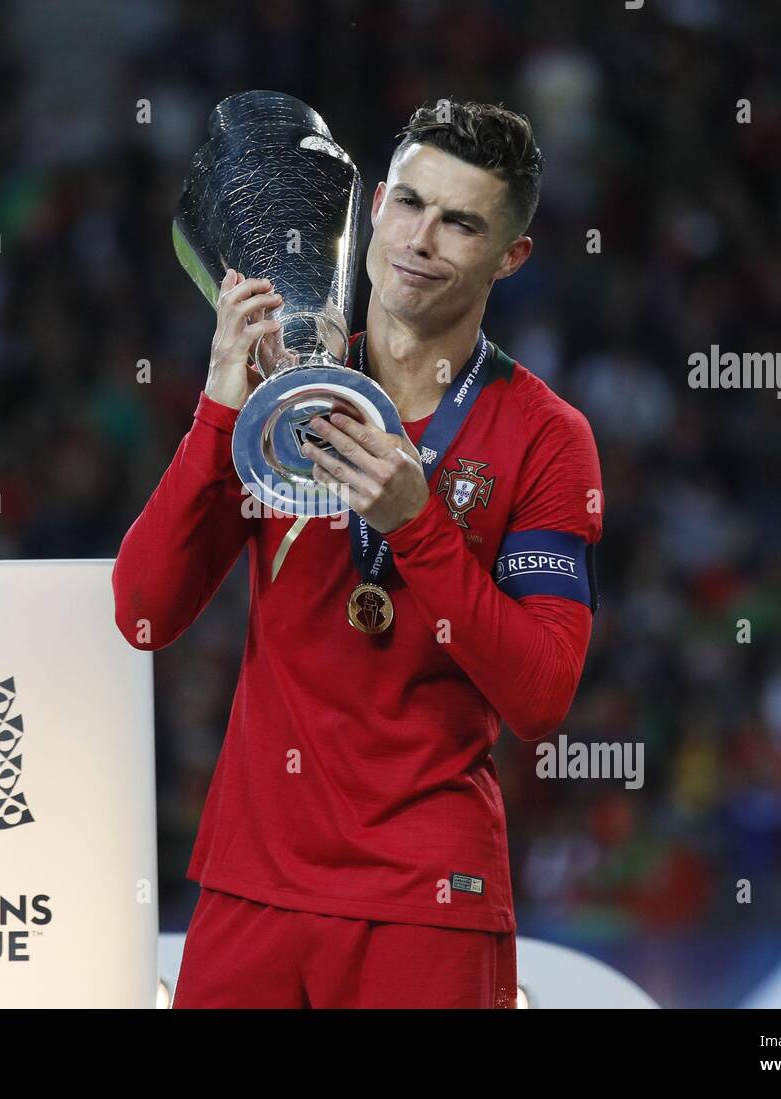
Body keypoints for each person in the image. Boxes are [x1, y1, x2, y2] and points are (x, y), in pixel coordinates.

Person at [113, 100, 603, 1008]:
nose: (421, 239)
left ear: (511, 256)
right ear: (371, 206)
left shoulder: (544, 437)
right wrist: (219, 409)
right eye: (410, 203)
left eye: (460, 223)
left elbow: (540, 697)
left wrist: (418, 525)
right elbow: (142, 611)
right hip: (252, 887)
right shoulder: (283, 401)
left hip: (428, 899)